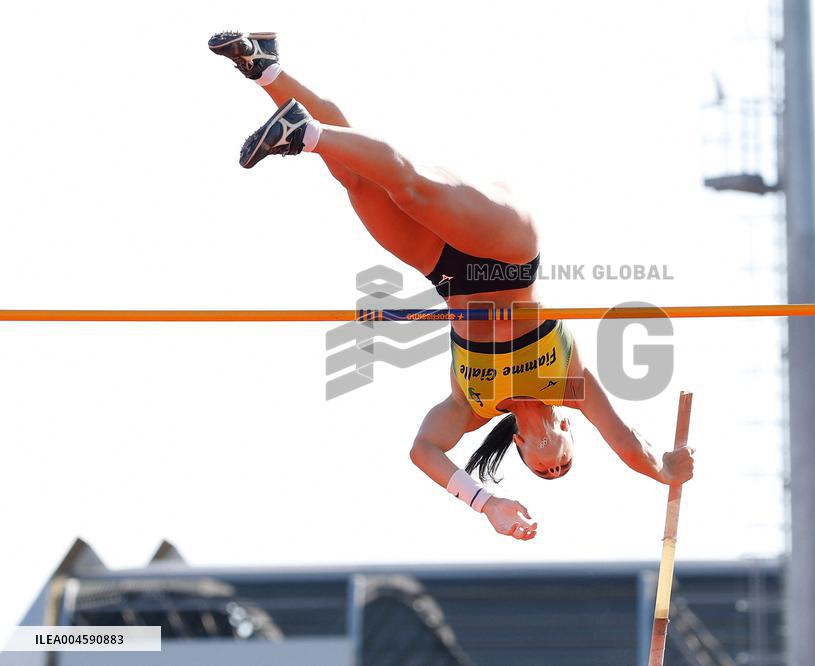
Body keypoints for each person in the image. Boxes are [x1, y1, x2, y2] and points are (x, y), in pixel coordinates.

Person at [209, 31, 695, 541]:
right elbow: (626, 441)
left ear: (521, 451)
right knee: (412, 190)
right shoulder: (571, 389)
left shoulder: (473, 405)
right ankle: (305, 134)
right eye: (562, 467)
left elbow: (423, 451)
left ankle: (266, 70)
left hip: (446, 273)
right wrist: (664, 473)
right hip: (508, 252)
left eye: (541, 471)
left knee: (356, 181)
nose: (552, 467)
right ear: (566, 431)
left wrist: (487, 505)